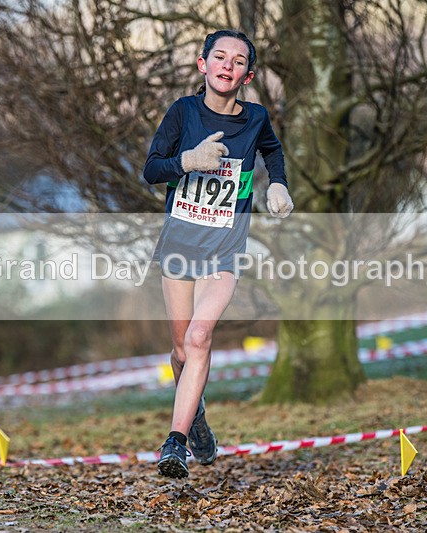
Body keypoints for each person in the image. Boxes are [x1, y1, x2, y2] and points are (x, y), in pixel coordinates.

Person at [143, 29, 293, 478]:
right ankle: (197, 417)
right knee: (180, 351)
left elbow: (273, 151)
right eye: (220, 57)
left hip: (225, 251)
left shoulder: (256, 118)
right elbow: (151, 169)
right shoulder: (183, 112)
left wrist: (278, 184)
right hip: (179, 248)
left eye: (238, 60)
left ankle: (175, 443)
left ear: (248, 75)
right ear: (202, 65)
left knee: (199, 337)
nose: (228, 65)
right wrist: (187, 161)